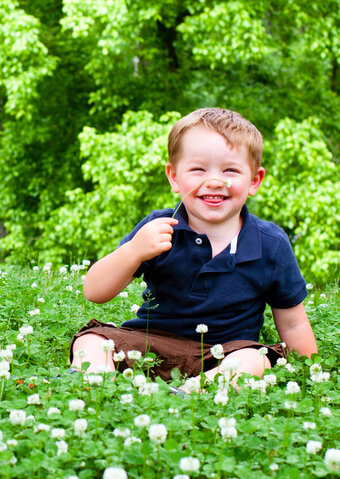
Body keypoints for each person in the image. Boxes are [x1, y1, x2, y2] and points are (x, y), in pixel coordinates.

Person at [69, 107, 317, 389]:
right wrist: (134, 251)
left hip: (223, 354)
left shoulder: (270, 244)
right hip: (151, 346)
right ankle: (93, 383)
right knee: (92, 340)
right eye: (198, 169)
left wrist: (315, 375)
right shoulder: (159, 227)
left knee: (256, 360)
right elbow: (95, 292)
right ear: (174, 177)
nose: (213, 181)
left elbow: (293, 323)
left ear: (254, 181)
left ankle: (191, 393)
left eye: (230, 170)